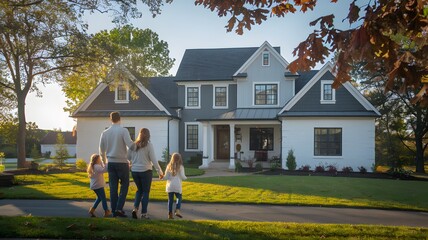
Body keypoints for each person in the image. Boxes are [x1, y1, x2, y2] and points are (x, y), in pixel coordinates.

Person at [99, 111, 135, 217]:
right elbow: (131, 145)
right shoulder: (123, 131)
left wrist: (104, 161)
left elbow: (101, 150)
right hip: (122, 162)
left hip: (111, 163)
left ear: (110, 120)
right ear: (120, 119)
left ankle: (114, 210)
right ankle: (119, 208)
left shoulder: (105, 133)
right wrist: (138, 145)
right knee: (125, 185)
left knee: (113, 187)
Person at [127, 128, 164, 219]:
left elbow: (128, 157)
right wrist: (160, 172)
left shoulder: (133, 145)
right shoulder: (149, 145)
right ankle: (144, 214)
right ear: (148, 135)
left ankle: (135, 209)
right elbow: (154, 160)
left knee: (139, 190)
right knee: (146, 192)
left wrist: (133, 162)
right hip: (146, 171)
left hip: (135, 171)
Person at [163, 153, 187, 219]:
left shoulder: (169, 166)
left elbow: (166, 177)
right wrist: (186, 178)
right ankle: (177, 210)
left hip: (170, 186)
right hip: (177, 186)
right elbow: (182, 176)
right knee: (178, 198)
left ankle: (170, 214)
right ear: (180, 159)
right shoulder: (181, 167)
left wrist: (162, 176)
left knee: (170, 200)